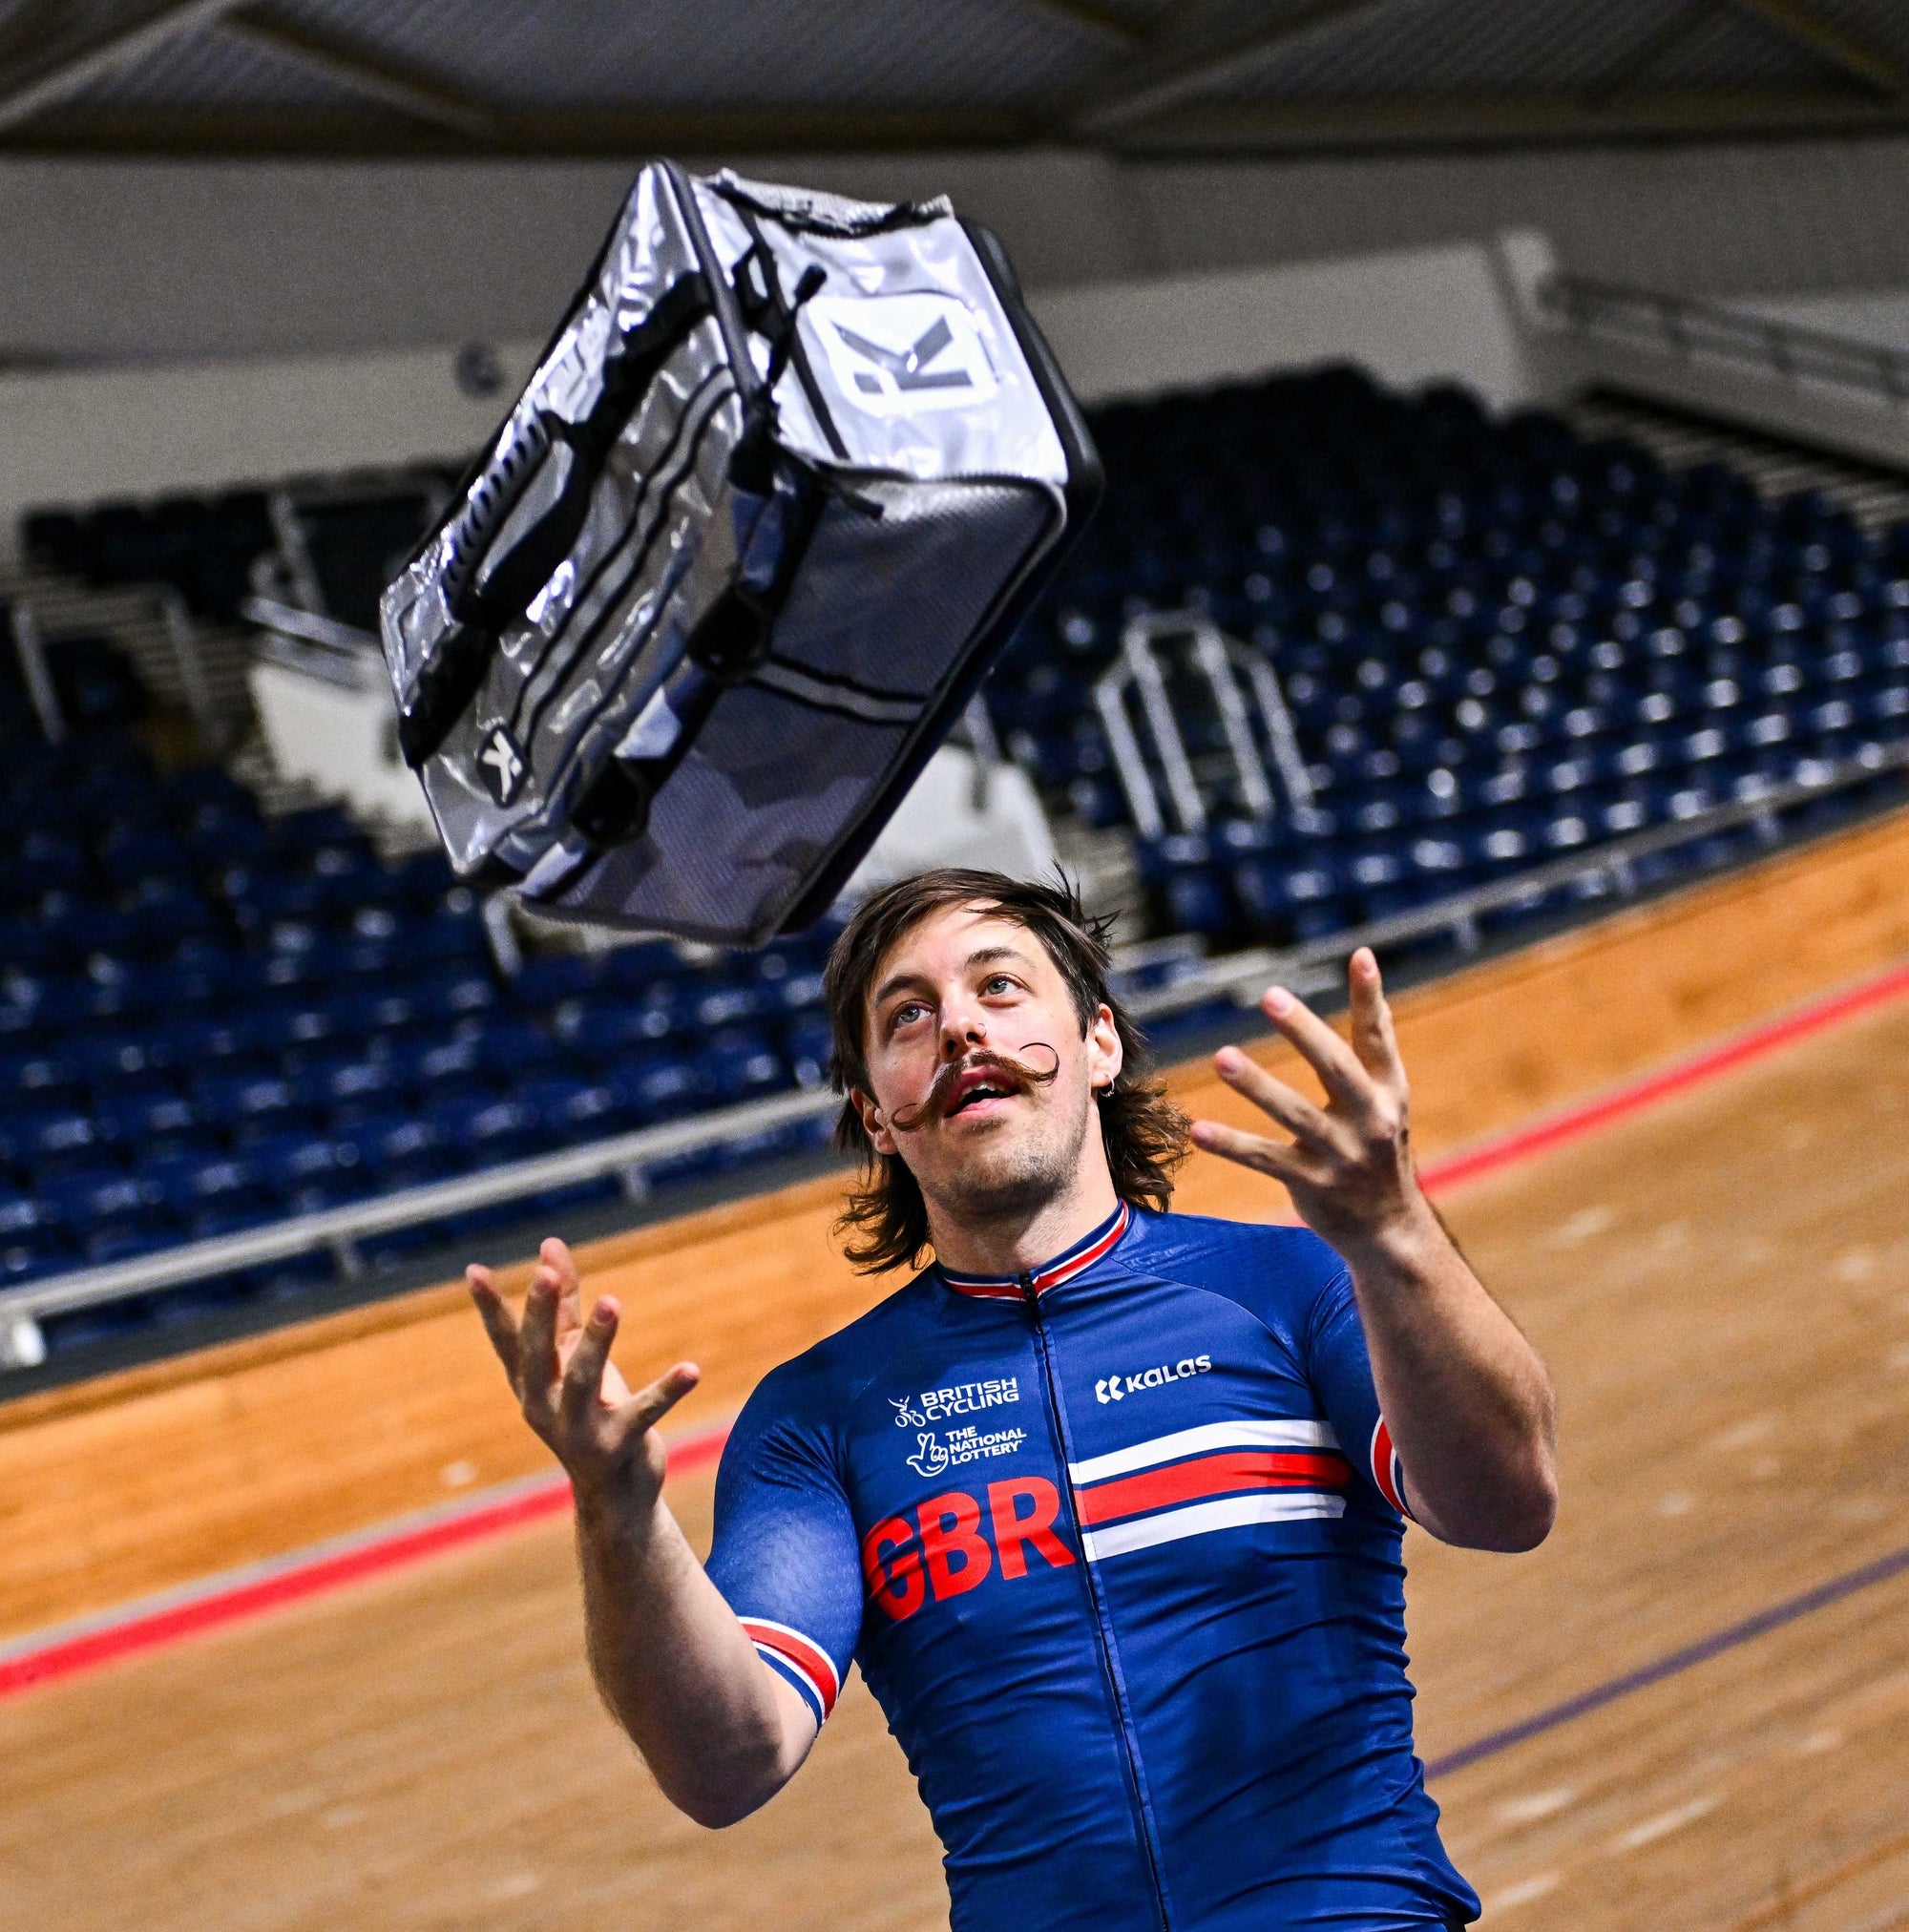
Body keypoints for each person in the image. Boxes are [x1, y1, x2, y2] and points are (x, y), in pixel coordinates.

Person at [469, 868, 1557, 1931]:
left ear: (1097, 1042)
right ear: (876, 1116)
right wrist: (614, 1507)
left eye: (997, 986)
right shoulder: (816, 1420)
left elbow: (1505, 1502)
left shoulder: (1293, 1287)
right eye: (907, 1015)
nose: (956, 1029)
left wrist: (1397, 1236)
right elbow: (727, 1759)